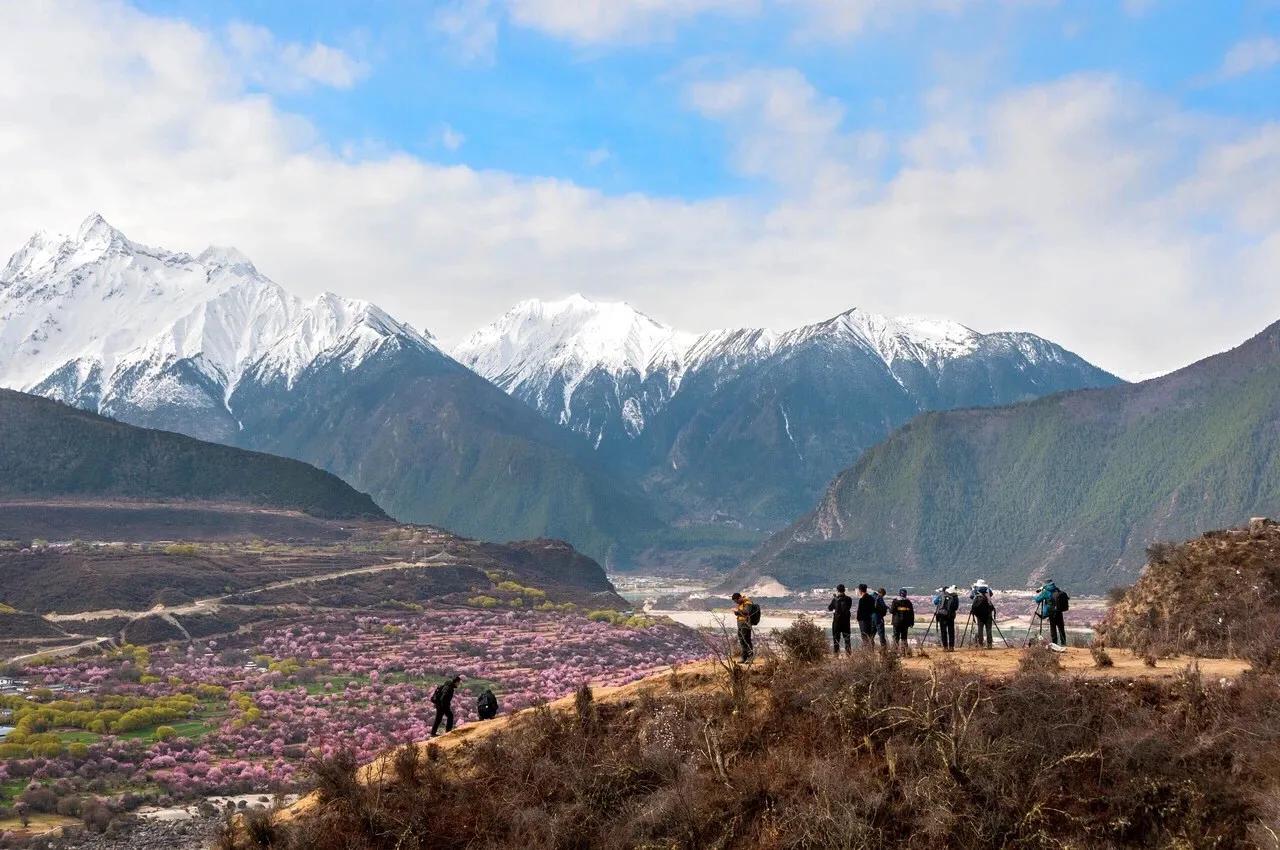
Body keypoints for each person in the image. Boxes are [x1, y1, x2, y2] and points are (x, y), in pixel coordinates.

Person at [1035, 580, 1068, 645]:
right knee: (1061, 628)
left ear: (1045, 585)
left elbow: (1037, 600)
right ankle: (1063, 643)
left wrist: (1039, 593)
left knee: (1053, 628)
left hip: (1051, 613)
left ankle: (1054, 643)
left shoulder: (1046, 592)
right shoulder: (1057, 589)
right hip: (1059, 611)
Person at [827, 584, 853, 655]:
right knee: (847, 639)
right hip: (846, 622)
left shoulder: (835, 599)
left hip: (837, 621)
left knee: (836, 639)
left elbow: (829, 608)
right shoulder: (849, 599)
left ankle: (836, 654)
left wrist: (835, 599)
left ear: (837, 590)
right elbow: (849, 607)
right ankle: (848, 654)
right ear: (844, 590)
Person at [731, 592, 755, 662]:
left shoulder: (747, 602)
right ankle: (744, 657)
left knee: (746, 640)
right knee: (742, 641)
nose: (736, 603)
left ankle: (750, 657)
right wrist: (737, 613)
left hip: (746, 624)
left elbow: (747, 612)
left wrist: (737, 612)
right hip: (741, 624)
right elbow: (741, 613)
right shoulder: (740, 604)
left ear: (740, 597)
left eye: (736, 601)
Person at [889, 588, 915, 653]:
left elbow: (891, 611)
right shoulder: (908, 602)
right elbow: (911, 613)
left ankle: (895, 652)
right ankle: (904, 652)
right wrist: (912, 623)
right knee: (904, 637)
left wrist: (889, 608)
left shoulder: (895, 601)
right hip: (905, 623)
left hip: (896, 622)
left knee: (896, 637)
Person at [935, 586, 960, 651]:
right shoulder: (955, 596)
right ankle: (951, 647)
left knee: (943, 631)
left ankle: (945, 647)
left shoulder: (941, 595)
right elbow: (956, 607)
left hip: (942, 615)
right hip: (950, 616)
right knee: (951, 631)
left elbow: (935, 602)